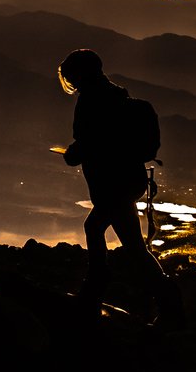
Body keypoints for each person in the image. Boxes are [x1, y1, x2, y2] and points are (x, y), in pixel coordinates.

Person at [58, 47, 183, 327]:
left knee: (129, 245)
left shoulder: (92, 100)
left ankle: (165, 301)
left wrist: (73, 154)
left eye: (71, 76)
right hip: (127, 181)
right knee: (117, 238)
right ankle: (162, 299)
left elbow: (91, 143)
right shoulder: (116, 94)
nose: (71, 82)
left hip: (112, 184)